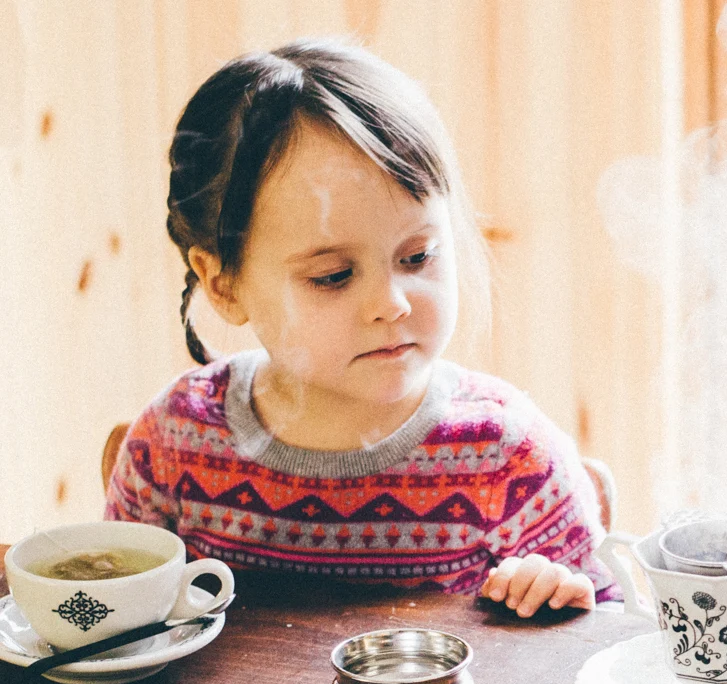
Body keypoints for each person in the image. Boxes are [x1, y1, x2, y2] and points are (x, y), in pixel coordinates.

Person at [106, 40, 613, 618]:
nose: (391, 304)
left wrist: (560, 603)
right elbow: (109, 623)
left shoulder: (507, 456)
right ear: (223, 285)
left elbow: (611, 638)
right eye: (333, 276)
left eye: (418, 257)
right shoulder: (175, 445)